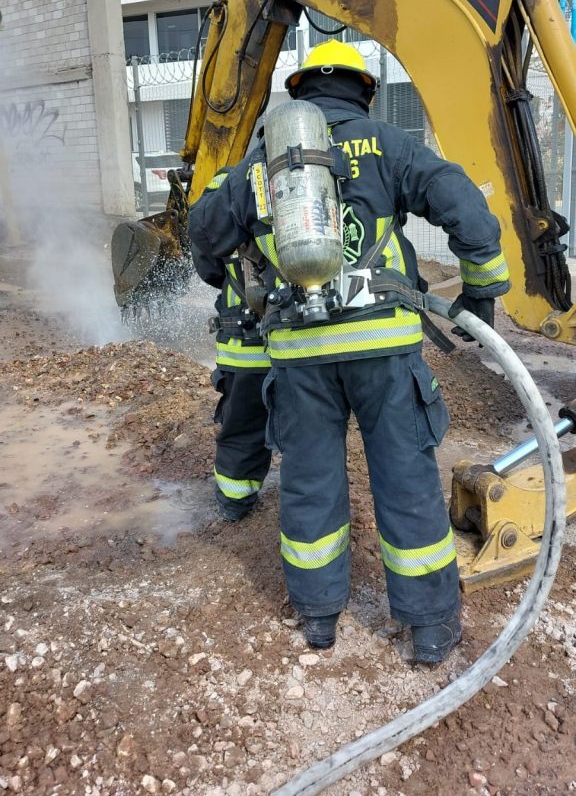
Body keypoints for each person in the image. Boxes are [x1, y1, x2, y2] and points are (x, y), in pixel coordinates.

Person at [188, 40, 511, 662]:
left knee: (310, 482)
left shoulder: (260, 164)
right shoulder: (385, 143)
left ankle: (318, 617)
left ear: (299, 91)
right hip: (383, 347)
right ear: (365, 91)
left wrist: (218, 273)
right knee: (405, 477)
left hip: (298, 352)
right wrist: (481, 290)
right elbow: (462, 201)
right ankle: (429, 626)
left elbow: (204, 232)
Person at [190, 168, 272, 522]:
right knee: (311, 431)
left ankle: (235, 505)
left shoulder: (228, 180)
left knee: (242, 427)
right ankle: (314, 514)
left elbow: (206, 255)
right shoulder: (313, 164)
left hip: (245, 340)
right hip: (306, 340)